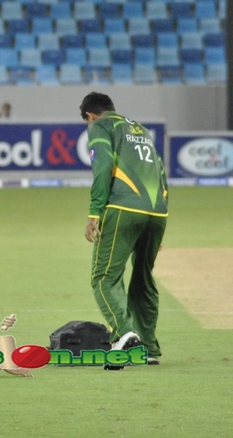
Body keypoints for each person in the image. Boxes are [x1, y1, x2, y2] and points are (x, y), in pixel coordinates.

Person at [81, 92, 168, 368]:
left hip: (123, 209)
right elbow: (161, 172)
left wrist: (94, 212)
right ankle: (149, 347)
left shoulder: (100, 126)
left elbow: (103, 166)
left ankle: (125, 335)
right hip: (157, 211)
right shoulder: (139, 129)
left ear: (89, 116)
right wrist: (160, 220)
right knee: (143, 278)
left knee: (103, 277)